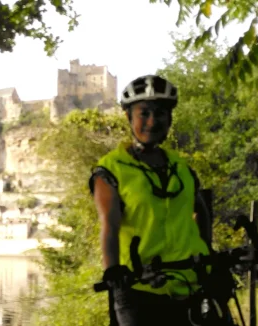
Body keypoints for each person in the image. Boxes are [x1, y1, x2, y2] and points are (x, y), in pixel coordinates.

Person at [89, 75, 213, 325]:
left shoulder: (181, 166)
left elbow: (201, 211)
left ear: (170, 118)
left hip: (189, 283)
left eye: (161, 113)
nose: (152, 121)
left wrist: (207, 254)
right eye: (143, 113)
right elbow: (109, 226)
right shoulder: (111, 169)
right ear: (128, 117)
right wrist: (113, 270)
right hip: (139, 287)